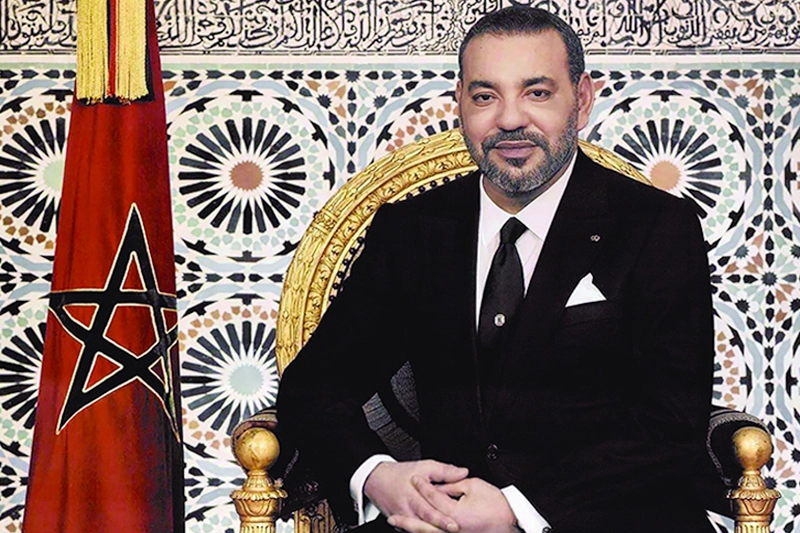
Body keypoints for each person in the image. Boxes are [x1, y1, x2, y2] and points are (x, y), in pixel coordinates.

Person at [277, 6, 715, 533]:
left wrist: (517, 508)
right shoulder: (412, 230)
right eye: (485, 96)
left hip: (608, 516)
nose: (509, 120)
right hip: (440, 521)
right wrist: (379, 476)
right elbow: (314, 388)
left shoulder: (657, 227)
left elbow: (671, 419)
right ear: (459, 102)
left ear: (581, 100)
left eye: (537, 92)